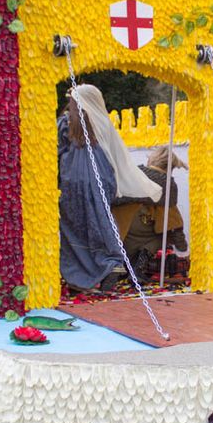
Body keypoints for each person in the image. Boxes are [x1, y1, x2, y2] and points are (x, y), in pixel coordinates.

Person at [58, 84, 162, 291]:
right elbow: (116, 155)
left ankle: (80, 277)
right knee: (101, 220)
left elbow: (57, 150)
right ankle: (110, 262)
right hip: (102, 178)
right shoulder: (103, 123)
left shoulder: (67, 122)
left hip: (73, 183)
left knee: (75, 230)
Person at [119, 146, 189, 282]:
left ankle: (120, 269)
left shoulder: (134, 173)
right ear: (170, 167)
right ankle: (139, 267)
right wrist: (182, 249)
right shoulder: (168, 184)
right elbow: (174, 222)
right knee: (165, 233)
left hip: (121, 229)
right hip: (144, 228)